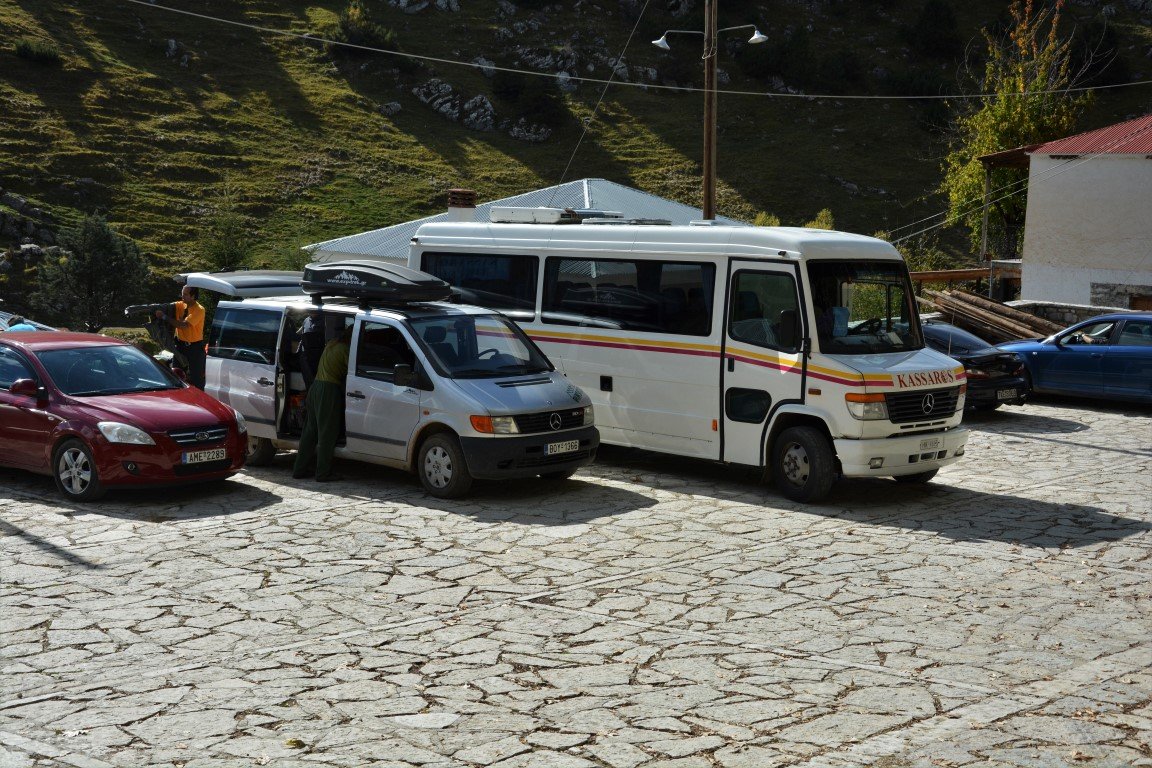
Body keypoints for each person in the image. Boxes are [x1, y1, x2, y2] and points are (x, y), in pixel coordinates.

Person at [292, 324, 352, 482]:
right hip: (329, 389)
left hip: (315, 387)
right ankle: (323, 473)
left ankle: (299, 469)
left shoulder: (331, 343)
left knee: (310, 431)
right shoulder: (346, 350)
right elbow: (352, 372)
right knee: (327, 432)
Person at [156, 285, 206, 388]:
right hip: (180, 345)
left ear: (193, 296)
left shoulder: (199, 310)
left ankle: (198, 401)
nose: (182, 296)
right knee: (175, 375)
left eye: (185, 294)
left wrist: (164, 317)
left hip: (194, 348)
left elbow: (183, 325)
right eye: (182, 293)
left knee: (196, 378)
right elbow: (167, 306)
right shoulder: (181, 305)